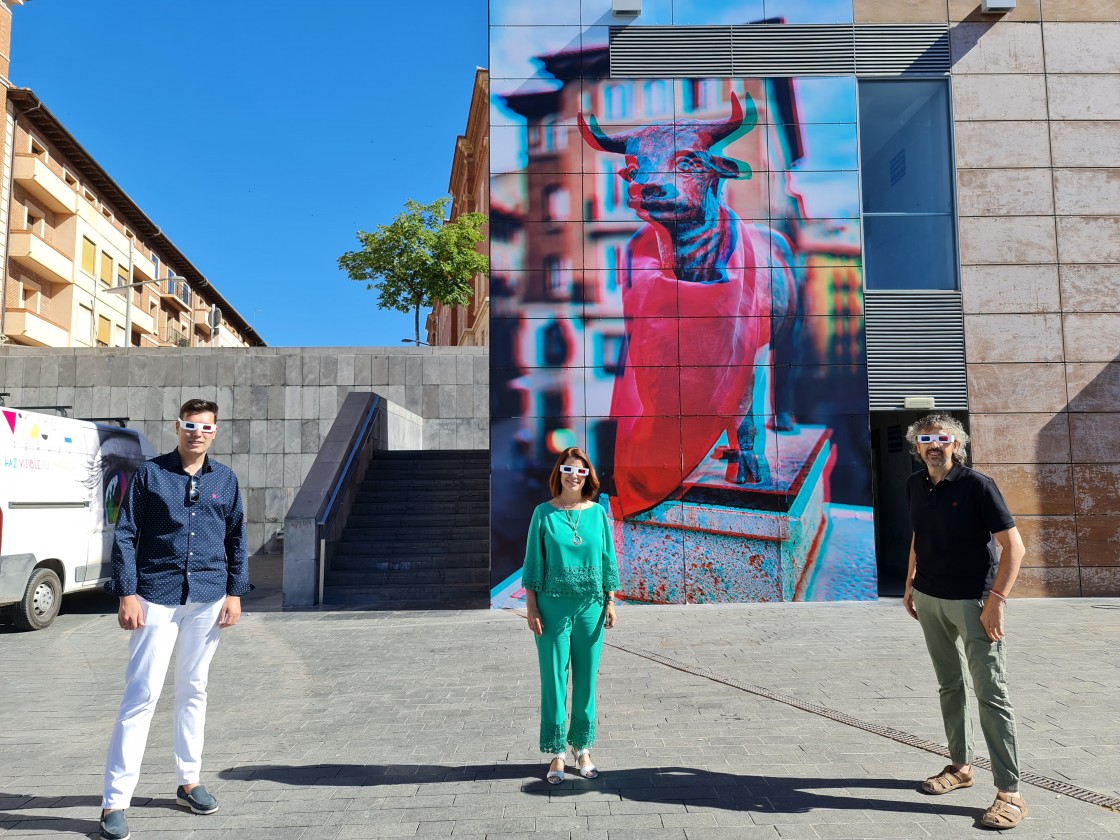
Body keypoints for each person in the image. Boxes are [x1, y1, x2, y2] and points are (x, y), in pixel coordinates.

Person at [98, 399, 248, 840]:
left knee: (194, 690)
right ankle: (114, 801)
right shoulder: (151, 475)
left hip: (207, 597)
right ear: (177, 427)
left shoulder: (225, 480)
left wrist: (236, 592)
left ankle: (189, 781)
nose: (196, 433)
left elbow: (238, 537)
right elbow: (125, 533)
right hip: (155, 596)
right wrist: (126, 592)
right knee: (141, 694)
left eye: (205, 427)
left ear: (215, 432)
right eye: (189, 425)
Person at [902, 413, 1028, 830]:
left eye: (943, 438)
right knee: (949, 685)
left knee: (991, 693)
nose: (934, 445)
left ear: (957, 444)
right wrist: (909, 584)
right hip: (930, 597)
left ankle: (1010, 793)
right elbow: (919, 535)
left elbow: (1015, 547)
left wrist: (996, 601)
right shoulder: (915, 485)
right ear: (916, 446)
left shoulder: (978, 486)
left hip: (974, 602)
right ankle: (961, 767)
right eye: (926, 439)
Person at [522, 446, 620, 784]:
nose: (574, 475)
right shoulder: (543, 514)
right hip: (552, 608)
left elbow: (608, 558)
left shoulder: (597, 513)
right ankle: (557, 754)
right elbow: (533, 562)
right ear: (559, 474)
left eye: (580, 470)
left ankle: (583, 748)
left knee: (586, 681)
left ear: (587, 475)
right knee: (554, 679)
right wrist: (531, 606)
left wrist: (610, 600)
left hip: (591, 607)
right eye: (568, 469)